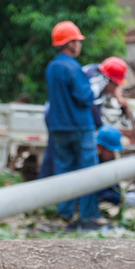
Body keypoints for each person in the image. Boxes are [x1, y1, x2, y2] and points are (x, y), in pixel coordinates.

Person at [44, 21, 102, 229]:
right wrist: (95, 88)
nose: (80, 45)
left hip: (58, 128)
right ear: (70, 44)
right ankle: (87, 215)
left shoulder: (52, 68)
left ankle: (65, 212)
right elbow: (85, 97)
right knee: (88, 173)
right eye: (78, 41)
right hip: (79, 127)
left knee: (65, 172)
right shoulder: (73, 68)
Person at [39, 56, 129, 179]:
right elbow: (91, 106)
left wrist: (119, 98)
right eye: (116, 85)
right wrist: (101, 128)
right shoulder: (98, 82)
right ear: (110, 80)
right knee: (71, 162)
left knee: (57, 159)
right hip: (63, 118)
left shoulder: (95, 71)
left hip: (57, 115)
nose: (114, 89)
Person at [96, 125, 135, 208]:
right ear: (100, 147)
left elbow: (113, 184)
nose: (112, 154)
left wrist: (120, 195)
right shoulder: (92, 163)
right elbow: (96, 190)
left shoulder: (109, 161)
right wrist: (117, 198)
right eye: (110, 151)